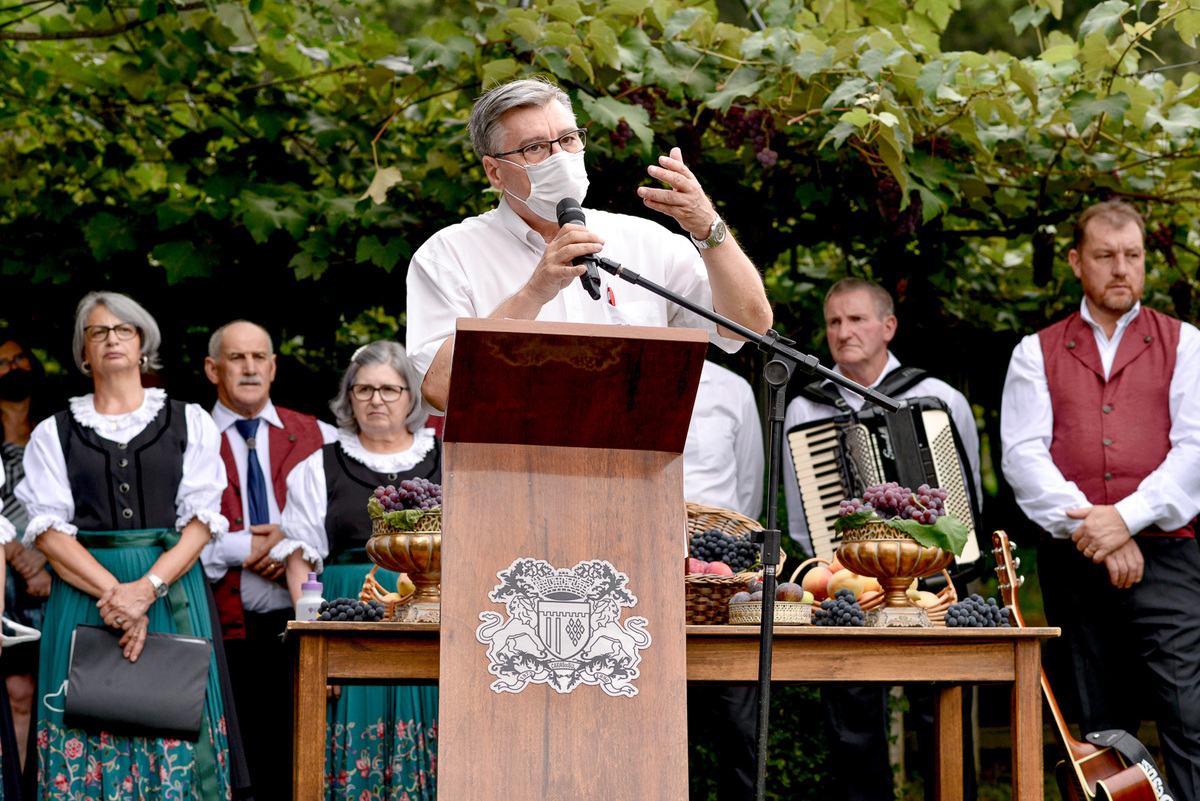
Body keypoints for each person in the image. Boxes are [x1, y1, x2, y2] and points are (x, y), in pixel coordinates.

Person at [405, 77, 772, 412]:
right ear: (494, 172)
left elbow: (749, 325)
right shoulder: (447, 256)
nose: (561, 158)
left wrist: (709, 229)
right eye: (535, 148)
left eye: (567, 140)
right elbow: (440, 388)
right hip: (510, 477)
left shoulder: (646, 241)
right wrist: (534, 293)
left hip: (638, 475)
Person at [1000, 199, 1200, 800]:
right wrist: (1099, 533)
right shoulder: (1036, 352)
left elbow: (1195, 451)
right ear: (1075, 263)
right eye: (1105, 256)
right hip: (1074, 559)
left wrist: (1126, 521)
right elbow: (1024, 457)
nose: (1121, 268)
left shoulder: (1186, 343)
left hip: (1169, 558)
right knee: (1094, 729)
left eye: (1132, 256)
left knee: (1190, 716)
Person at [15, 292, 233, 800]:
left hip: (170, 590)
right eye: (98, 332)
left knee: (173, 726)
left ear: (142, 346)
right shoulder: (54, 432)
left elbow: (201, 523)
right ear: (83, 354)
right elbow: (46, 532)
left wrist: (147, 589)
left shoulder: (190, 420)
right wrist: (119, 595)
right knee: (86, 729)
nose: (111, 338)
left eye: (124, 330)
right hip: (86, 597)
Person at [782, 278, 981, 801]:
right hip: (852, 586)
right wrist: (833, 568)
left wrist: (953, 564)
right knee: (852, 714)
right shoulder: (807, 410)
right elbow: (810, 526)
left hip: (934, 584)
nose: (844, 332)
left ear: (888, 327)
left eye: (857, 319)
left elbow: (967, 504)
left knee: (940, 709)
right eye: (834, 322)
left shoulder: (939, 399)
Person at [280, 341, 438, 801]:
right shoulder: (318, 466)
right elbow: (299, 561)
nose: (376, 400)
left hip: (432, 618)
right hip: (349, 618)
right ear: (349, 397)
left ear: (412, 397)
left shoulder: (449, 458)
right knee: (351, 731)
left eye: (389, 389)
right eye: (364, 389)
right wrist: (312, 645)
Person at [200, 320, 336, 801]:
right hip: (220, 625)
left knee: (298, 755)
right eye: (237, 358)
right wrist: (254, 546)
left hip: (301, 621)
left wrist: (291, 540)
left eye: (259, 357)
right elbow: (182, 532)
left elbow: (339, 520)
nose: (250, 368)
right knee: (234, 763)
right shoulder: (191, 436)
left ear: (274, 367)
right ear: (213, 369)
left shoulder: (319, 435)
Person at [682, 359, 763, 801]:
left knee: (738, 728)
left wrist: (721, 558)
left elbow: (749, 488)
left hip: (723, 577)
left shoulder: (734, 390)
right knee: (661, 730)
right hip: (647, 562)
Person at [1, 334, 52, 790]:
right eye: (1, 362)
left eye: (19, 357)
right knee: (17, 693)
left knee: (58, 692)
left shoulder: (57, 431)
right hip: (8, 581)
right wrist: (21, 558)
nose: (12, 366)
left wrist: (48, 565)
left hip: (60, 573)